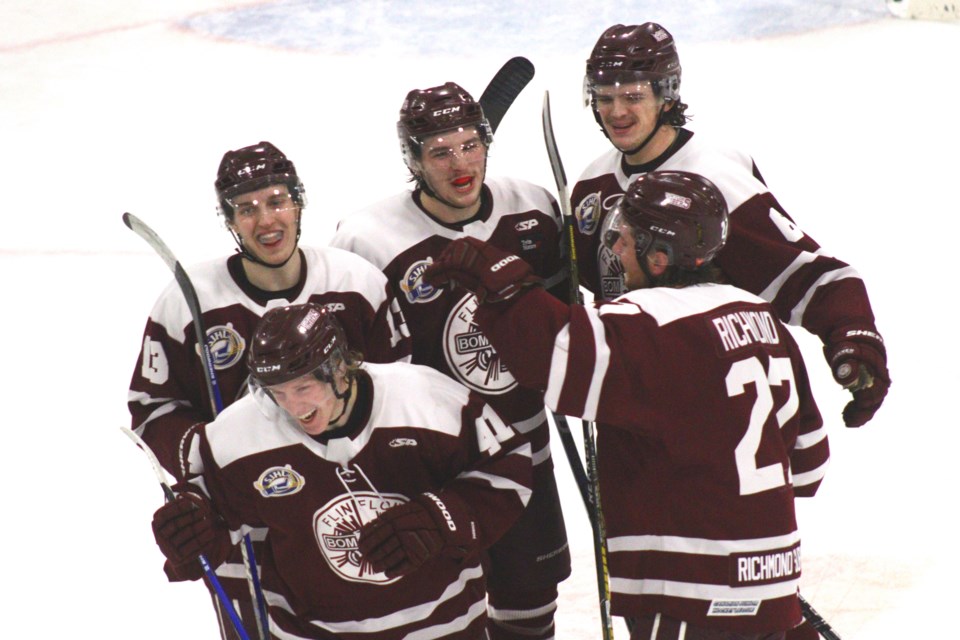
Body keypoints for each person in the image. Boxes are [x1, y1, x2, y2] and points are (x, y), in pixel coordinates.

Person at [424, 171, 832, 640]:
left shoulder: (648, 323)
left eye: (625, 238)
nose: (614, 249)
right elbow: (808, 465)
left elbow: (554, 356)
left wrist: (502, 281)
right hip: (774, 587)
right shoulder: (761, 316)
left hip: (687, 595)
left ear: (659, 258)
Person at [127, 141, 411, 638]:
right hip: (242, 520)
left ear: (299, 203)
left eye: (278, 200)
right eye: (246, 209)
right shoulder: (188, 302)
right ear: (229, 221)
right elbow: (153, 409)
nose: (266, 220)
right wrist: (213, 458)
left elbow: (400, 393)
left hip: (350, 505)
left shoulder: (356, 283)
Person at [330, 82, 571, 640]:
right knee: (437, 615)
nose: (460, 164)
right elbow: (354, 368)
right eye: (440, 152)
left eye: (470, 145)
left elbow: (564, 325)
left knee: (530, 607)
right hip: (428, 462)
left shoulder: (534, 206)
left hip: (523, 445)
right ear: (412, 160)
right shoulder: (368, 239)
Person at [570, 22, 889, 430]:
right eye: (605, 97)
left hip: (707, 395)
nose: (616, 112)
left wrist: (853, 336)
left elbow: (807, 274)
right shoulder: (591, 186)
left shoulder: (713, 178)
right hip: (630, 398)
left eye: (632, 96)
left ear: (665, 94)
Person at [150, 303, 533, 639]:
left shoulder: (427, 400)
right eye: (276, 392)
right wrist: (192, 529)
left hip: (445, 628)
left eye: (302, 388)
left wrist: (442, 517)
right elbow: (214, 512)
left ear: (337, 369)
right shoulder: (239, 432)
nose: (292, 408)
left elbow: (510, 467)